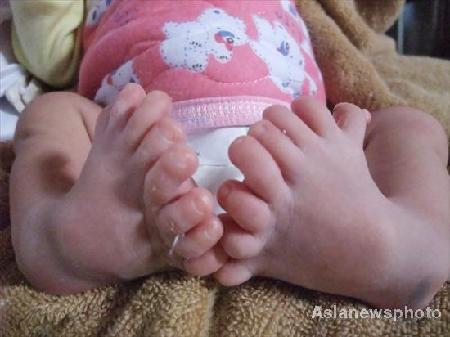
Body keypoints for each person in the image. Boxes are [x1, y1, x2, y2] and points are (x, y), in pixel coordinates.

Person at [8, 0, 449, 309]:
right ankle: (67, 235)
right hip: (131, 152)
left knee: (407, 123)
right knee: (51, 112)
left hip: (308, 157)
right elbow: (49, 52)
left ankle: (401, 246)